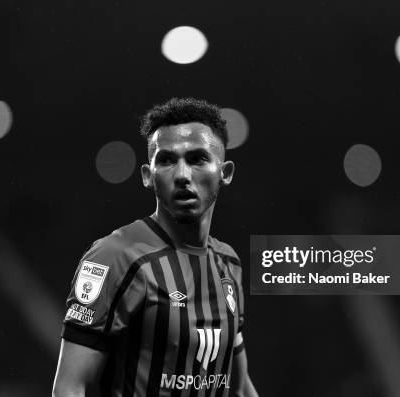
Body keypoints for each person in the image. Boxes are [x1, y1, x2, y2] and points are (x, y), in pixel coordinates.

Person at [52, 98, 258, 397]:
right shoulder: (115, 256)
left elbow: (238, 387)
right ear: (148, 176)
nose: (182, 175)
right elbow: (70, 388)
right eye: (166, 160)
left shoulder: (229, 263)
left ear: (225, 172)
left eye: (197, 159)